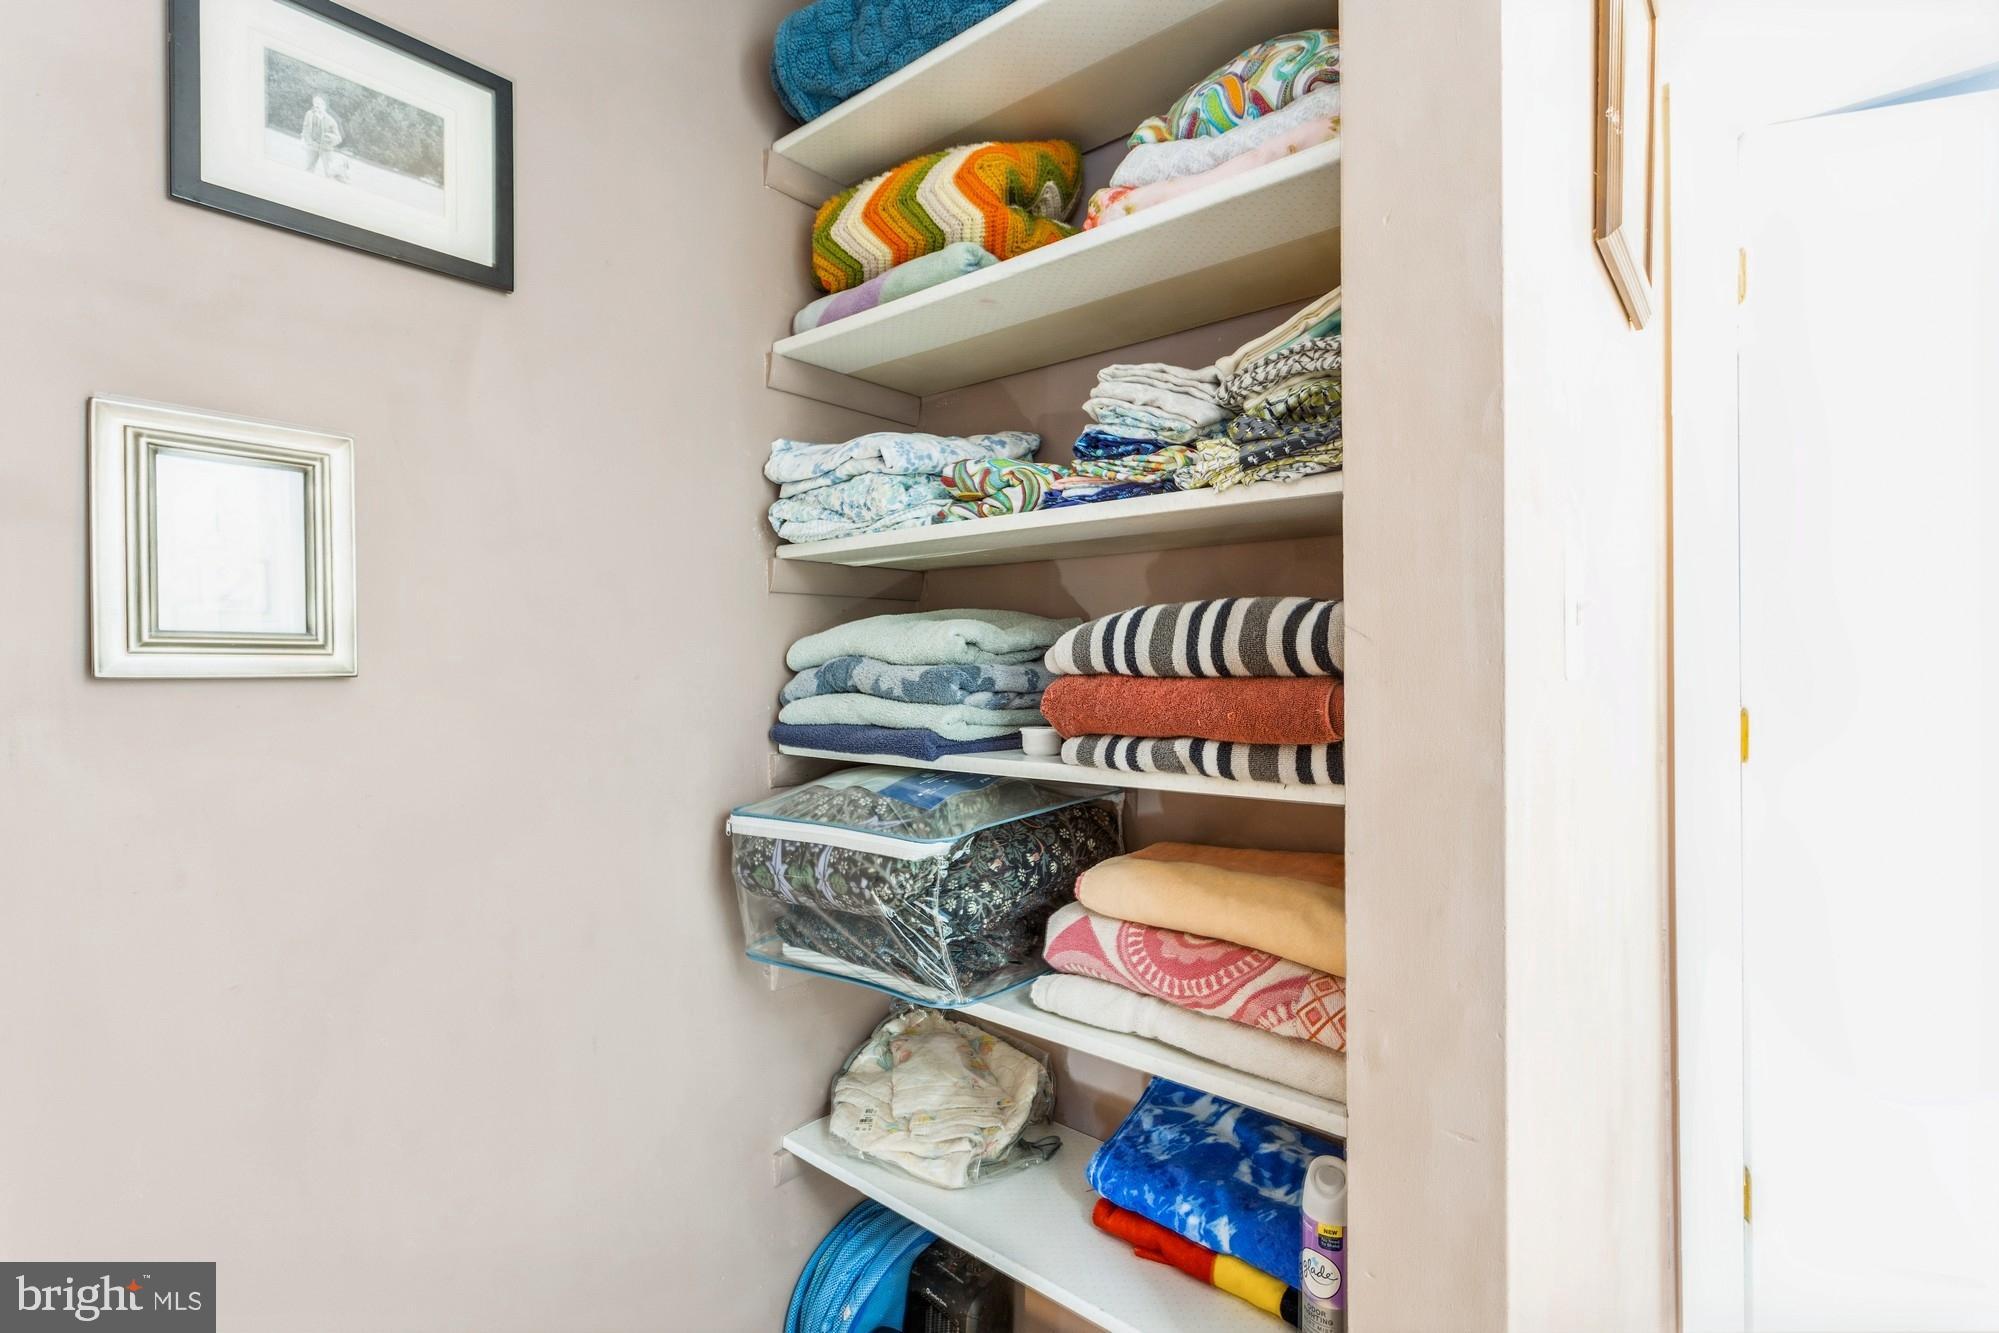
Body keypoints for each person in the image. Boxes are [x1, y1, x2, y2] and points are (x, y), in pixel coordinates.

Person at [300, 95, 344, 179]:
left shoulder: (331, 120)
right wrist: (305, 139)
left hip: (326, 149)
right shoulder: (309, 114)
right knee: (308, 169)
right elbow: (305, 128)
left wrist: (330, 137)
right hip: (312, 146)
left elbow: (339, 138)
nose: (317, 105)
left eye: (320, 103)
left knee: (329, 173)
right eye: (315, 103)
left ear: (324, 106)